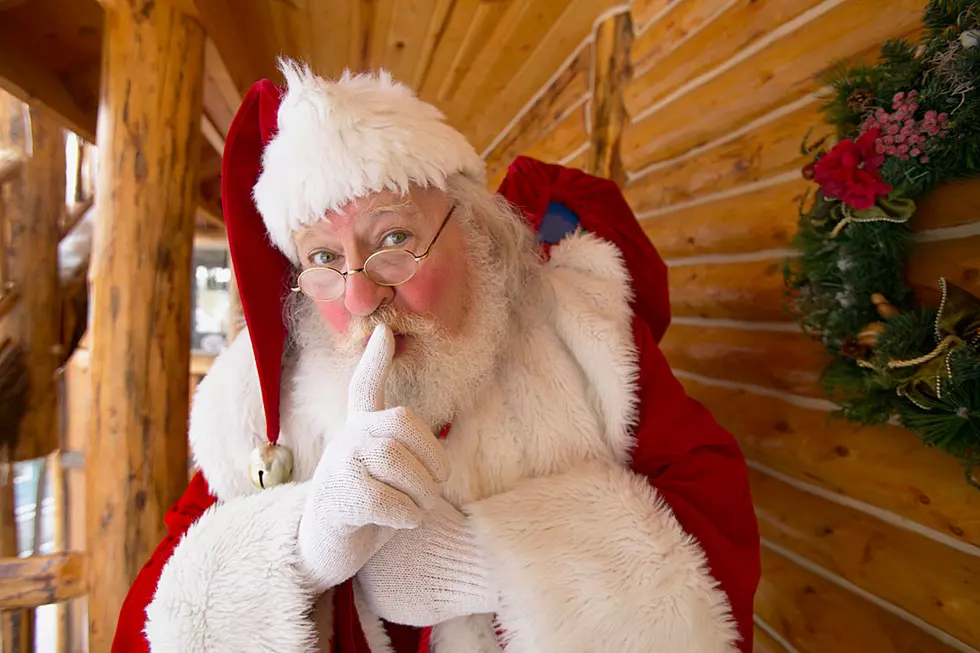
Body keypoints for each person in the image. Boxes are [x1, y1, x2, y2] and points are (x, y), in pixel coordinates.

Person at [111, 61, 761, 653]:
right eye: (324, 260)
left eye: (394, 237)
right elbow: (153, 619)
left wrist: (482, 562)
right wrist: (306, 547)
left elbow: (715, 521)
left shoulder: (582, 336)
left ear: (476, 230)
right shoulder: (259, 405)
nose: (362, 295)